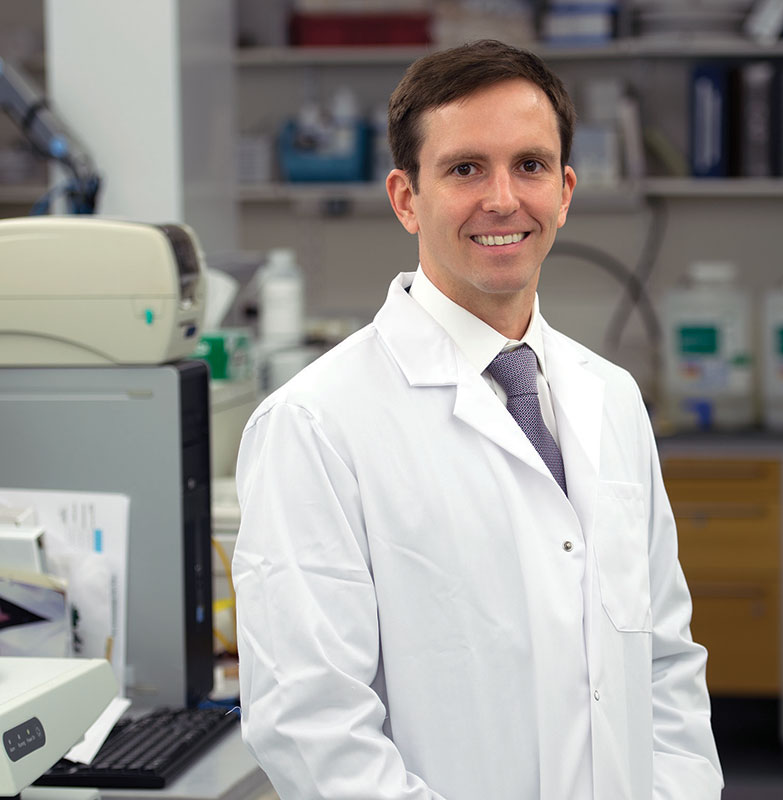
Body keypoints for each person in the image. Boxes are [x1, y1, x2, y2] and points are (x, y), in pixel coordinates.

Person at [232, 39, 722, 800]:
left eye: (529, 166)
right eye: (465, 169)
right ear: (405, 198)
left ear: (564, 191)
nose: (502, 199)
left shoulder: (611, 398)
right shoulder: (316, 423)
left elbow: (664, 661)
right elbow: (311, 725)